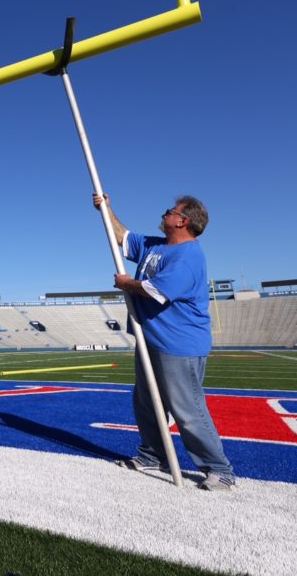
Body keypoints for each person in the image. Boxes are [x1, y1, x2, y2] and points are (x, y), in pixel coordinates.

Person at [94, 193, 235, 491]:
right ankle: (152, 455)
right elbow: (121, 236)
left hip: (179, 345)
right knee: (146, 404)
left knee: (188, 409)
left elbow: (157, 291)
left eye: (170, 211)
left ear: (183, 221)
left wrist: (125, 284)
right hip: (150, 340)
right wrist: (106, 208)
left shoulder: (189, 256)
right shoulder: (154, 245)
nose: (164, 214)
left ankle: (219, 469)